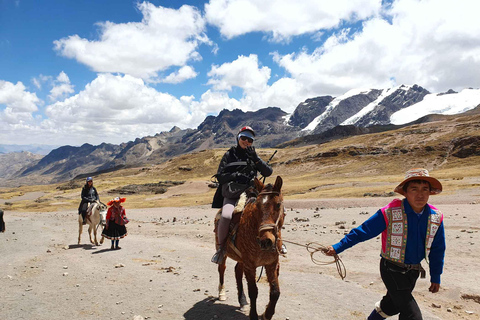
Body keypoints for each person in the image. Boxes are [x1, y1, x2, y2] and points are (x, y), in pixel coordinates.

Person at [325, 168, 446, 320]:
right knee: (412, 315)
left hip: (413, 272)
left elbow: (438, 249)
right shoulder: (390, 212)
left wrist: (436, 276)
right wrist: (338, 247)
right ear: (406, 192)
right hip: (391, 269)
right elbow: (363, 231)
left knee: (392, 306)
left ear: (430, 193)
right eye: (414, 189)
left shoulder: (436, 218)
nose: (420, 194)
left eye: (425, 189)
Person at [211, 126, 279, 264]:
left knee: (272, 212)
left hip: (251, 193)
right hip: (233, 193)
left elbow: (268, 172)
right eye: (244, 138)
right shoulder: (229, 155)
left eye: (250, 139)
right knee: (226, 216)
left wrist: (256, 159)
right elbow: (220, 176)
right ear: (238, 138)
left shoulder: (253, 155)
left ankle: (278, 244)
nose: (246, 141)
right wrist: (236, 175)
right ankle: (221, 249)